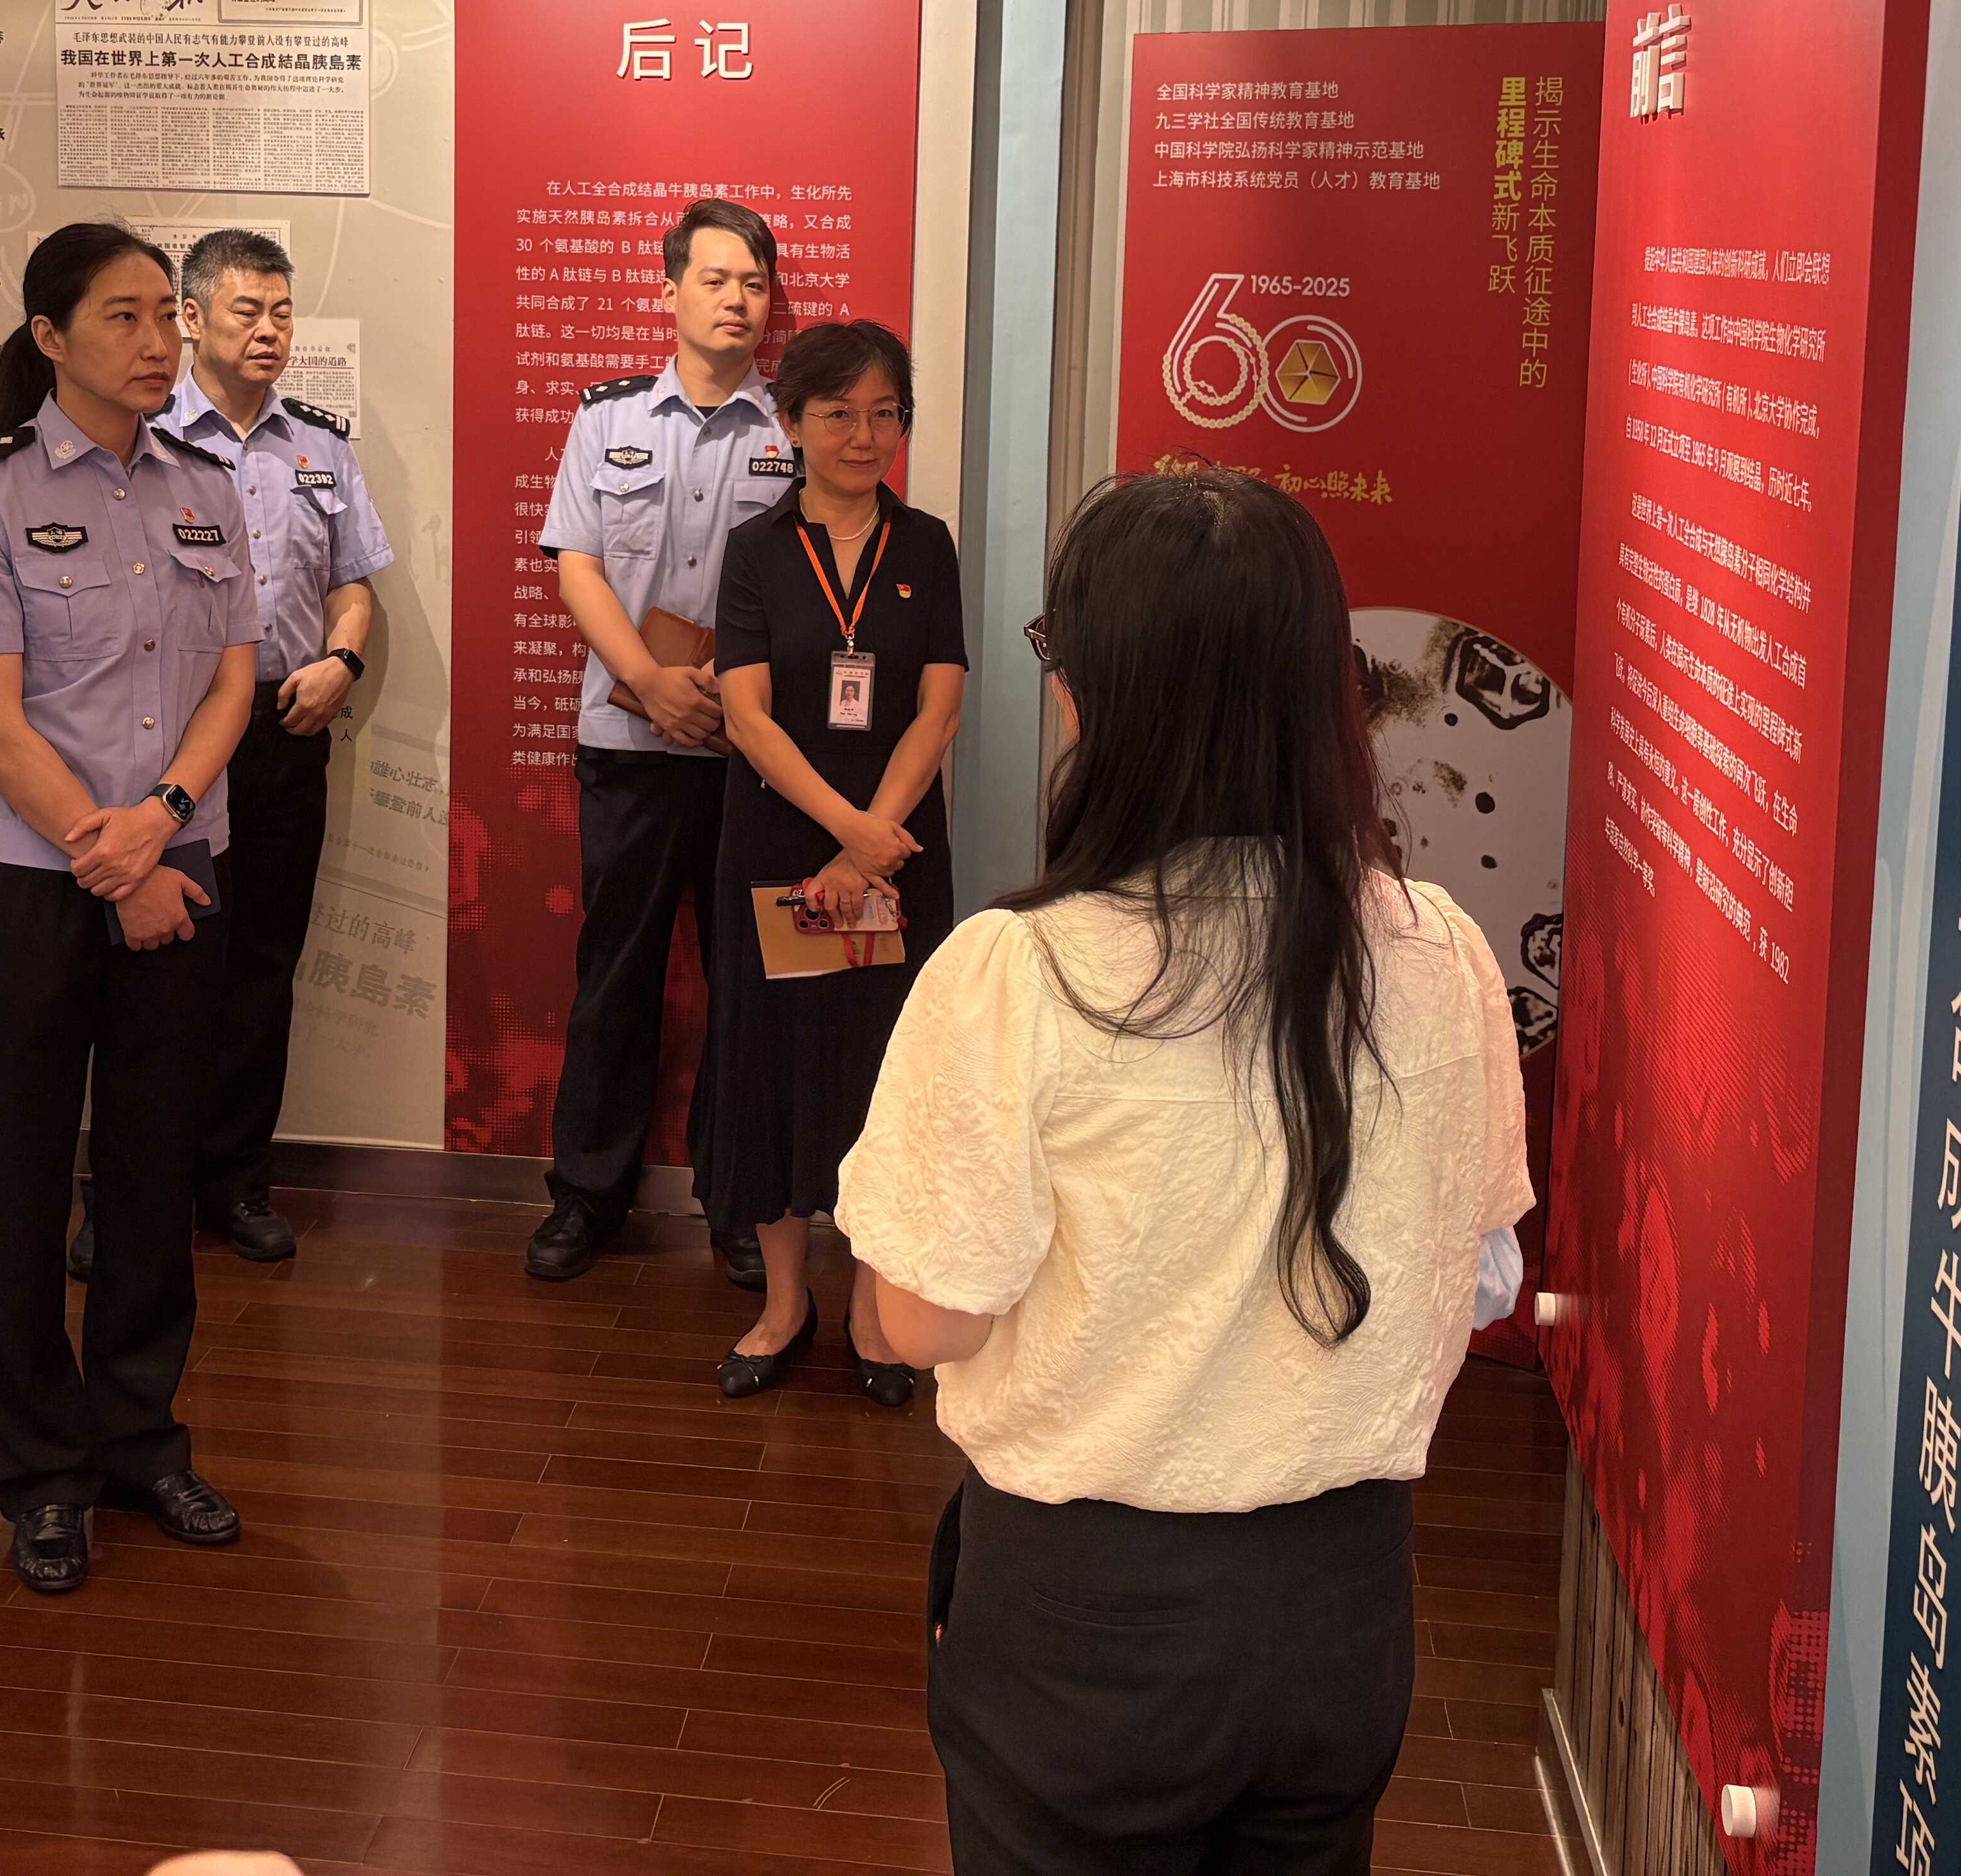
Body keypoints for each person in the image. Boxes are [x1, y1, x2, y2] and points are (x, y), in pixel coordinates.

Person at [839, 470, 1531, 1873]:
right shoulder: (1441, 949)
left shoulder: (1019, 970)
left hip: (1091, 1621)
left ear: (1099, 696)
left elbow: (923, 1319)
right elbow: (1478, 1277)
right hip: (1345, 1611)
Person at [0, 222, 256, 1594]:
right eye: (124, 316)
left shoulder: (207, 486)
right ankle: (41, 1475)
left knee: (154, 1171)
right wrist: (109, 856)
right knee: (19, 1180)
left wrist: (159, 822)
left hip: (180, 861)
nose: (159, 341)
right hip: (32, 881)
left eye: (167, 314)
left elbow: (234, 679)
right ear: (51, 338)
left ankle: (139, 1441)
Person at [526, 197, 803, 1288]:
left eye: (754, 284)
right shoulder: (606, 420)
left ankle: (739, 1202)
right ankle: (585, 1199)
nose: (737, 300)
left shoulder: (792, 430)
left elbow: (812, 590)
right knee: (617, 977)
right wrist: (647, 685)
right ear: (671, 289)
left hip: (750, 752)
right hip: (629, 743)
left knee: (747, 984)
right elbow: (578, 566)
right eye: (716, 279)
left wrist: (726, 704)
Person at [701, 320, 963, 1404]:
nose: (865, 435)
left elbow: (938, 707)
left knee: (882, 1071)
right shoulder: (757, 550)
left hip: (895, 852)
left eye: (884, 413)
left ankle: (869, 1306)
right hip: (780, 839)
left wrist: (869, 842)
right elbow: (748, 716)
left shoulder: (927, 545)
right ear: (792, 424)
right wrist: (844, 833)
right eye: (839, 413)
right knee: (770, 1065)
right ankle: (783, 1302)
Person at [158, 226, 391, 1265]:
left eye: (281, 311)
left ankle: (236, 1181)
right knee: (158, 967)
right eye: (246, 310)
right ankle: (137, 1191)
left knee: (260, 965)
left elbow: (352, 582)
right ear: (192, 317)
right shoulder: (141, 433)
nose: (268, 330)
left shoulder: (320, 446)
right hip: (168, 739)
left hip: (286, 726)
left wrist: (343, 658)